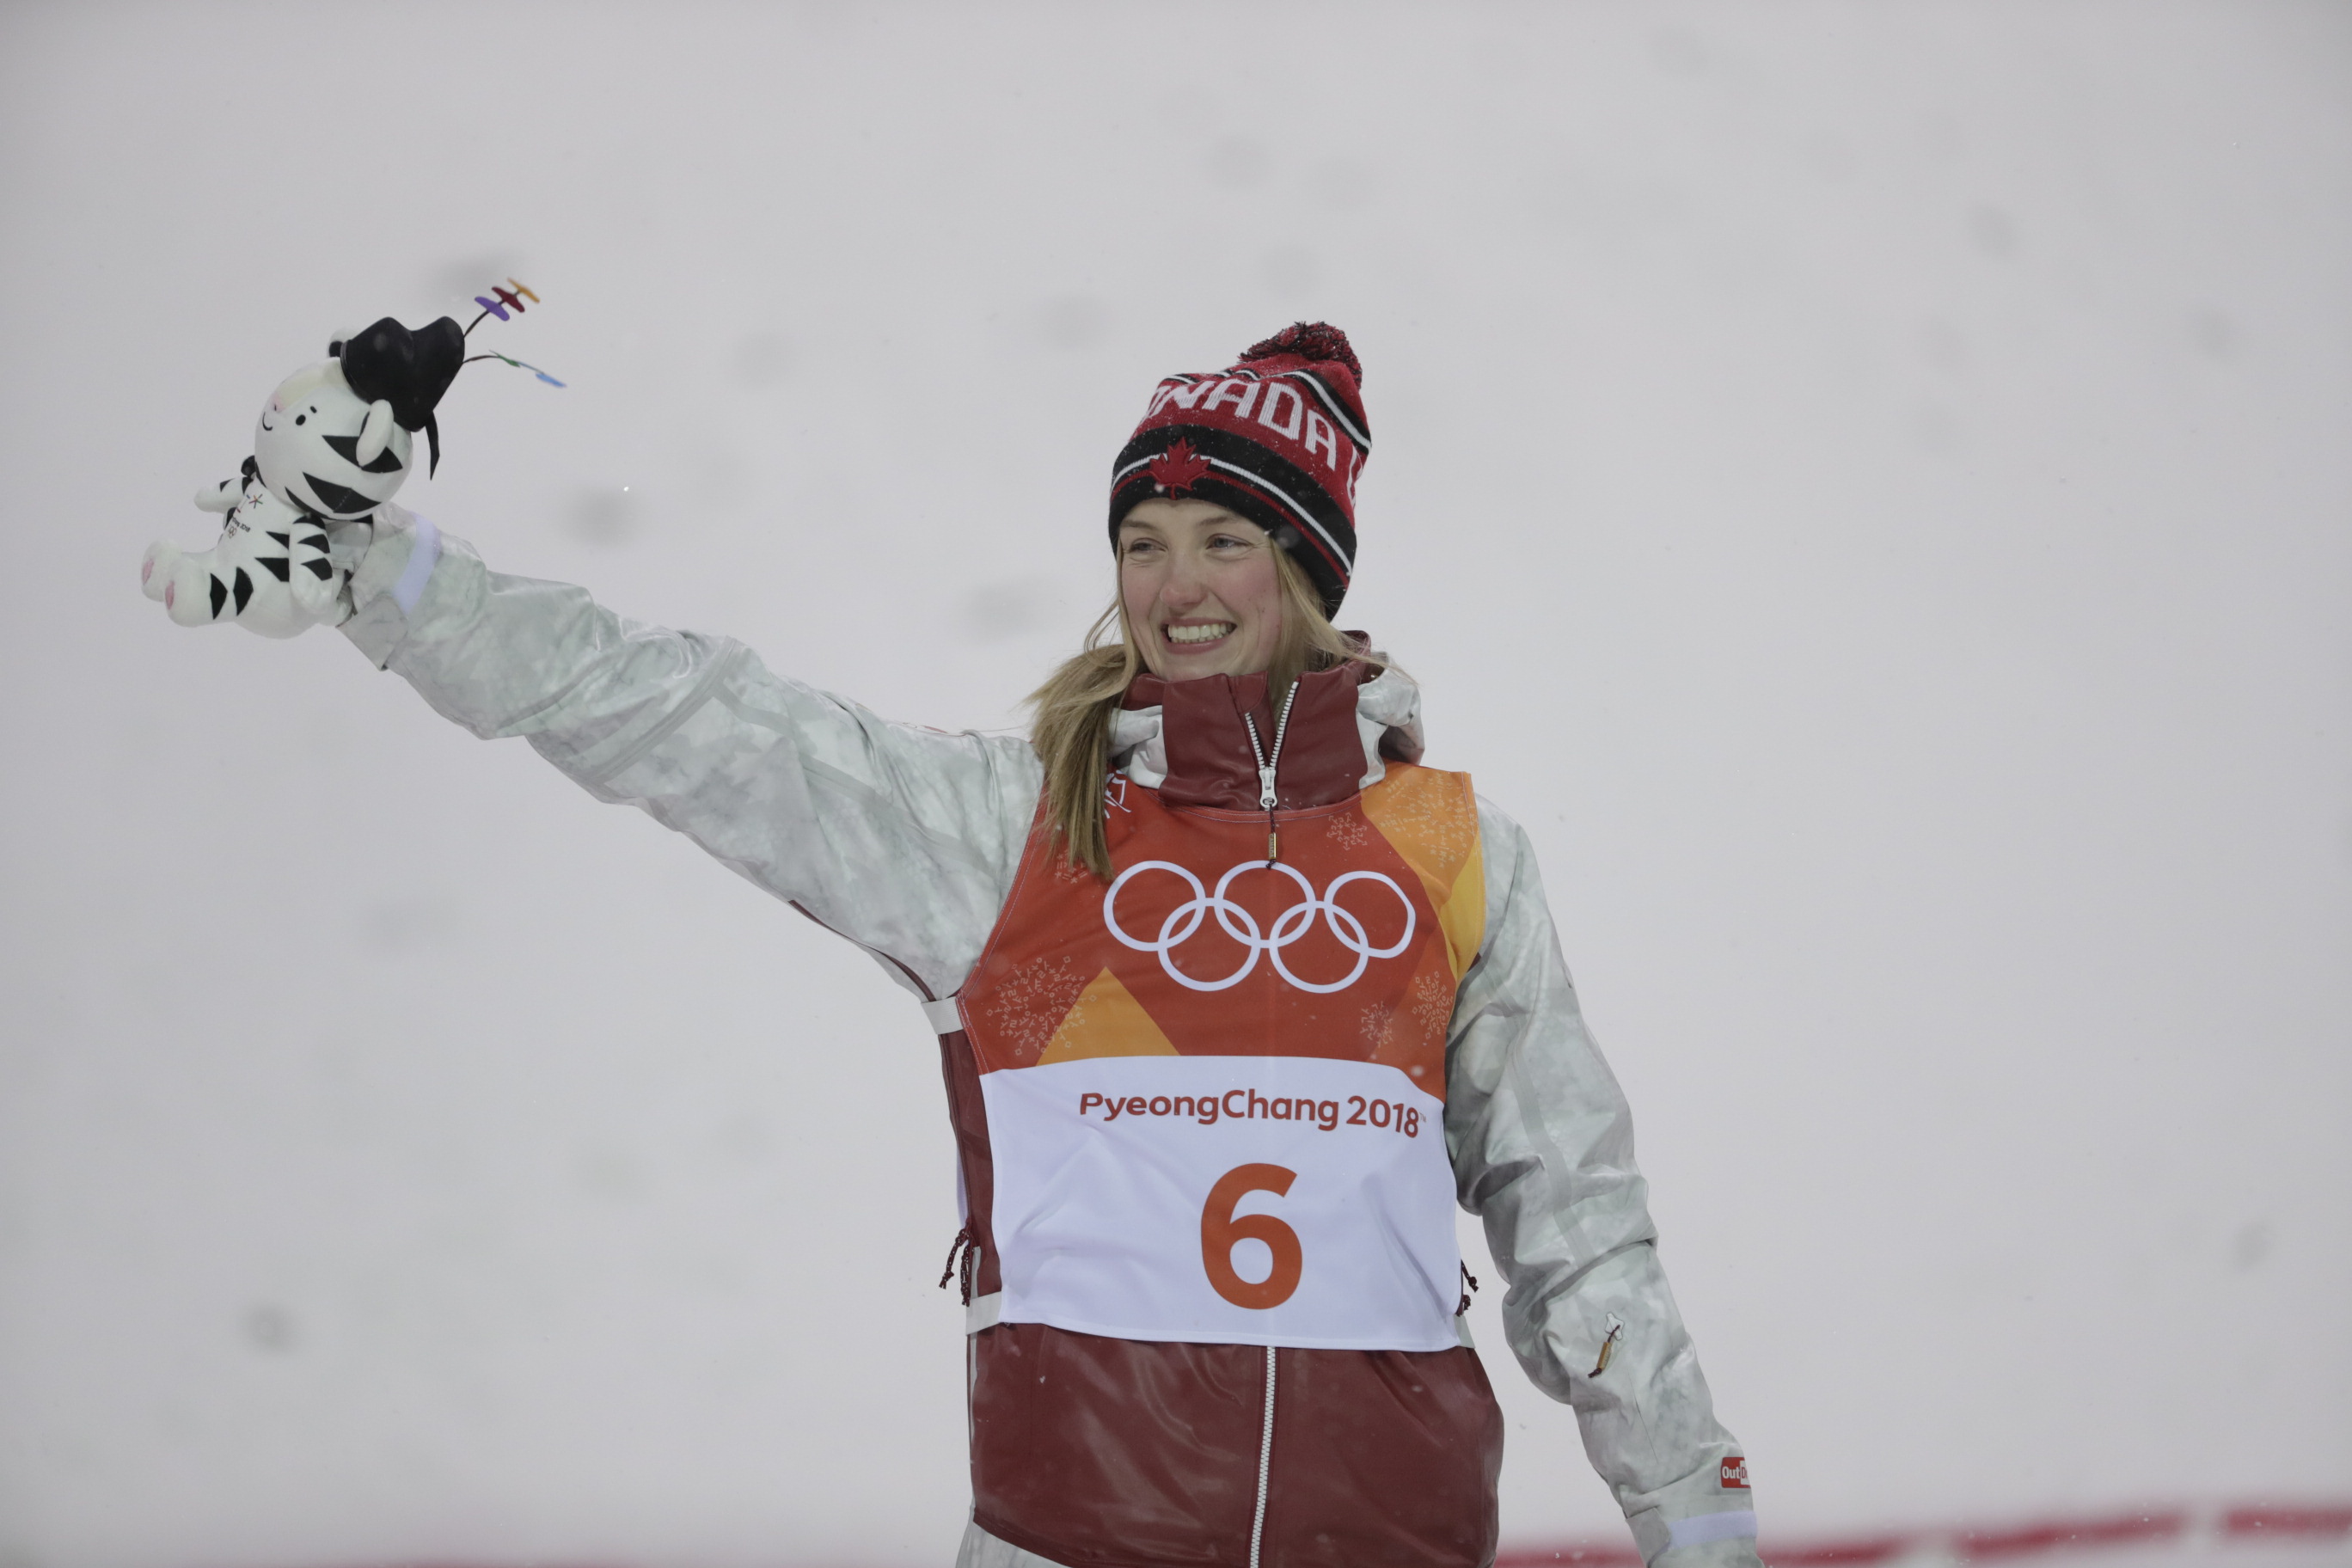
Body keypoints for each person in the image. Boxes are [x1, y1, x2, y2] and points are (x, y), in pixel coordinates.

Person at [324, 322, 1759, 1568]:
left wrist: (1696, 1511)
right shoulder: (1018, 833)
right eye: (1142, 542)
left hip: (1396, 1541)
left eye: (1224, 541)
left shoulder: (1457, 855)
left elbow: (1575, 1221)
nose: (1175, 584)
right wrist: (385, 577)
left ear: (1305, 570)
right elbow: (689, 717)